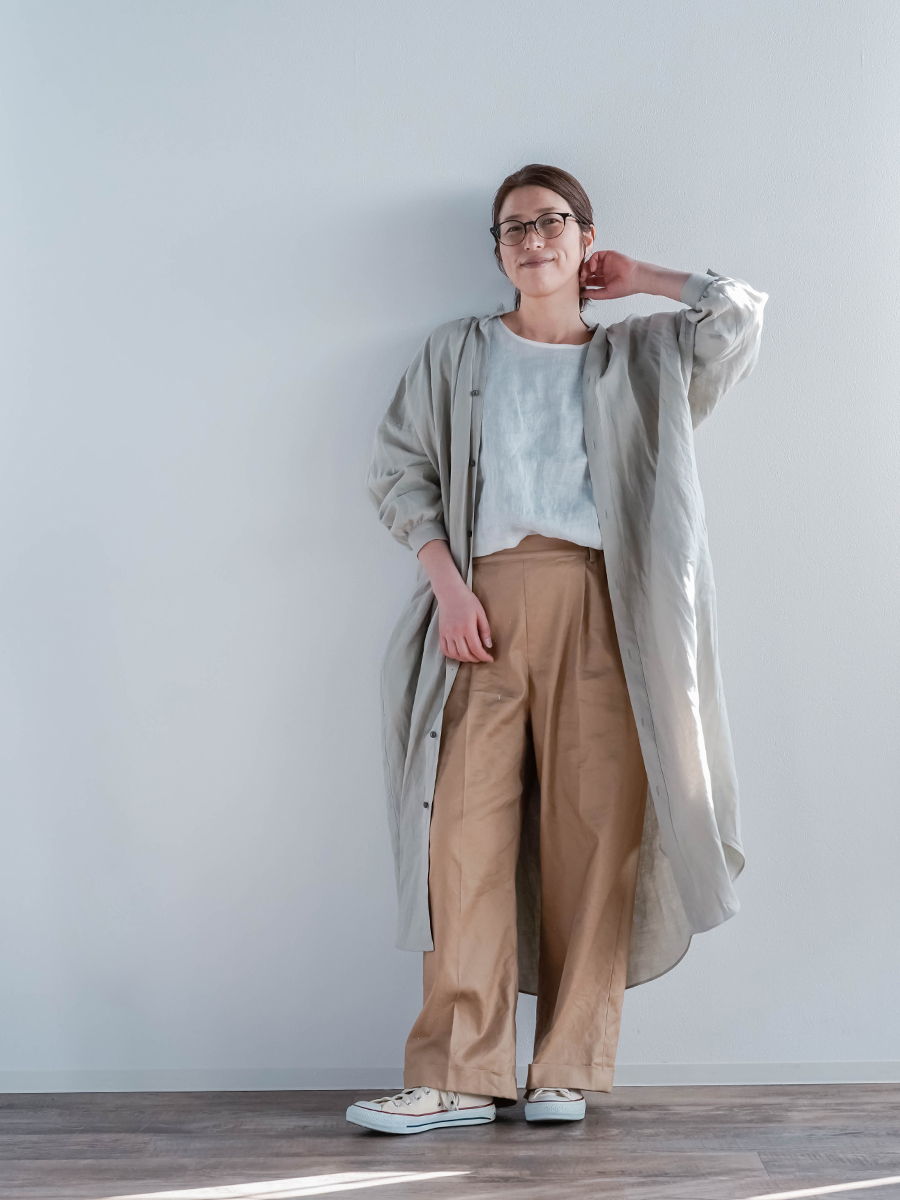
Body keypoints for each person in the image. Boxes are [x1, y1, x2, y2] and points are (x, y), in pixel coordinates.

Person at [347, 164, 769, 1135]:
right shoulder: (459, 351)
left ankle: (565, 1068)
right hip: (481, 608)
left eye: (552, 222)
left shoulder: (641, 358)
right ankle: (459, 1075)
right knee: (463, 839)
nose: (533, 240)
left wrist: (646, 278)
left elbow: (738, 317)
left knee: (597, 836)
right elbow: (398, 470)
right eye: (513, 228)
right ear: (497, 251)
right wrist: (448, 585)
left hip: (604, 608)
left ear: (585, 237)